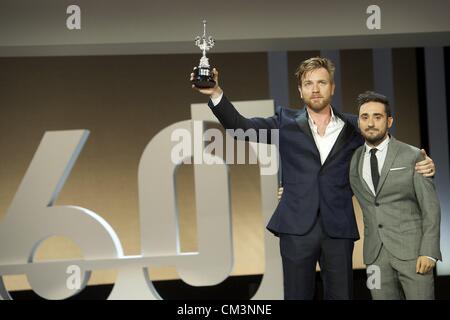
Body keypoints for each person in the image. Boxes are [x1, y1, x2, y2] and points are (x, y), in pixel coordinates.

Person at [190, 57, 436, 299]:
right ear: (300, 90)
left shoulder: (353, 125)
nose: (315, 89)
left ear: (332, 87)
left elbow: (385, 145)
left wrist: (420, 161)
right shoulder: (284, 122)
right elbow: (240, 128)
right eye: (308, 84)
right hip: (296, 228)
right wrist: (216, 93)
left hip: (338, 228)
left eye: (321, 82)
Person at [349, 91, 441, 299]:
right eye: (365, 117)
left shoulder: (413, 155)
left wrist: (429, 251)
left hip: (414, 253)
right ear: (359, 122)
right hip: (374, 257)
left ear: (389, 121)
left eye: (377, 117)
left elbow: (431, 208)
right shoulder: (353, 159)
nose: (371, 123)